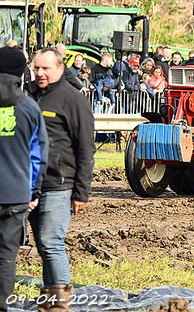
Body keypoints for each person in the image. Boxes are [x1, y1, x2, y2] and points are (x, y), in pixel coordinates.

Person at [28, 48, 95, 311]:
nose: (40, 73)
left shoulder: (72, 100)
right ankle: (49, 300)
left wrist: (82, 192)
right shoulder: (31, 96)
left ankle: (60, 304)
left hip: (60, 183)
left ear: (59, 68)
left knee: (51, 241)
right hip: (34, 185)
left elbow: (86, 148)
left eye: (45, 68)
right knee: (43, 246)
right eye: (36, 68)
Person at [0, 47, 48, 312]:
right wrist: (33, 191)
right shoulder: (30, 108)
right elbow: (39, 155)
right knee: (6, 257)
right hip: (17, 195)